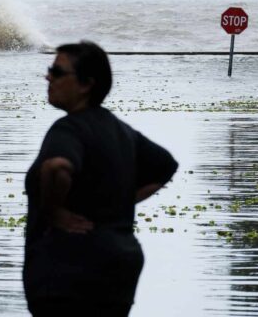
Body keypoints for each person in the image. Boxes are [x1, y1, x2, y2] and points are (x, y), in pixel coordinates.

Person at [23, 42, 178, 316]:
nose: (48, 77)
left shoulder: (68, 128)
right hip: (119, 268)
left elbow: (56, 167)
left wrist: (54, 211)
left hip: (68, 271)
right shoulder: (120, 130)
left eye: (57, 72)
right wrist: (121, 201)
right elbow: (164, 166)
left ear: (85, 85)